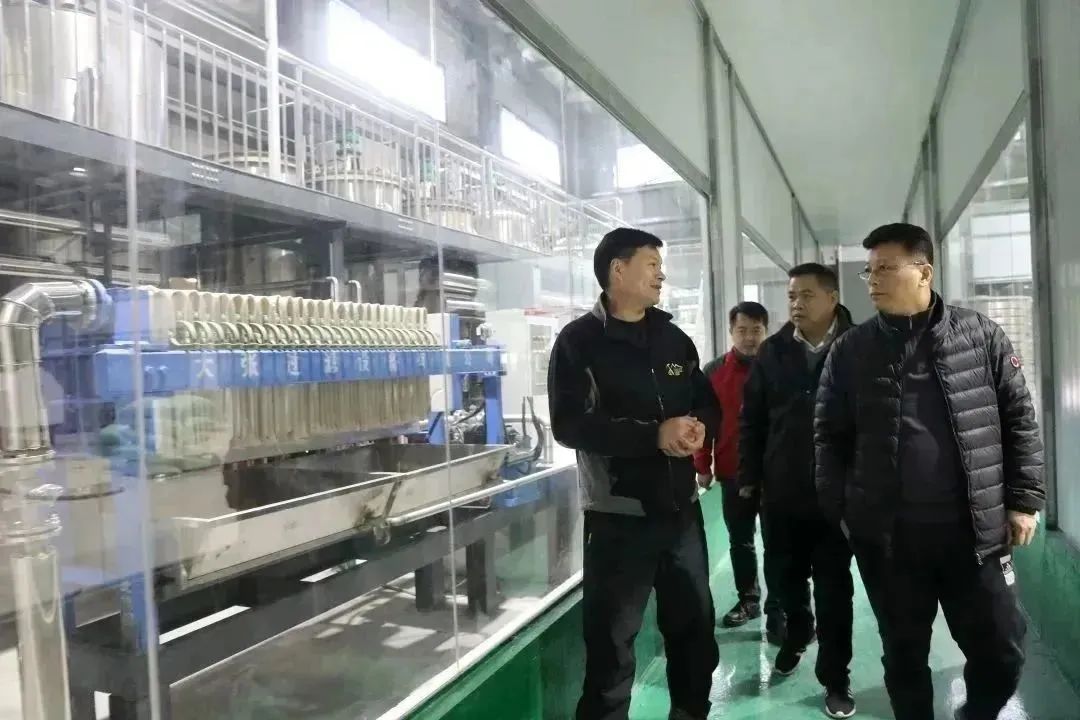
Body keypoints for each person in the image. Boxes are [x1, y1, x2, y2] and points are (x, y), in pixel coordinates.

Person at [815, 223, 1044, 720]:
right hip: (893, 542)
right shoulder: (852, 351)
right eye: (869, 270)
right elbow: (828, 438)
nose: (873, 280)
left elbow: (1019, 418)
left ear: (924, 272)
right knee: (904, 656)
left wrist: (1024, 500)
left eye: (885, 268)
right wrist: (845, 515)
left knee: (1003, 648)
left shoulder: (980, 336)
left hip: (975, 535)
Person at [548, 227, 721, 720]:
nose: (661, 275)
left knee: (694, 634)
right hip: (618, 519)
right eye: (652, 265)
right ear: (618, 270)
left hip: (681, 515)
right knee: (611, 648)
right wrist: (654, 435)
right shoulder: (579, 343)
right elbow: (569, 424)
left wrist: (699, 428)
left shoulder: (673, 338)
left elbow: (707, 401)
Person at [739, 263, 857, 719]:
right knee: (785, 579)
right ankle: (798, 630)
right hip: (782, 493)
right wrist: (749, 478)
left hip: (836, 497)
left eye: (806, 295)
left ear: (831, 298)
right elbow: (752, 420)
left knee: (834, 590)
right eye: (791, 296)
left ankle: (836, 678)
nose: (796, 304)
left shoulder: (858, 347)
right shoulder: (773, 351)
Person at [694, 301, 785, 641]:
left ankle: (780, 607)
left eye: (756, 330)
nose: (749, 338)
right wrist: (702, 464)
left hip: (777, 474)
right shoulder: (713, 371)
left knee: (779, 543)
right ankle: (749, 600)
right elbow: (703, 422)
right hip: (733, 472)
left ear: (766, 331)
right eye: (742, 330)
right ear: (731, 331)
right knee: (741, 541)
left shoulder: (780, 367)